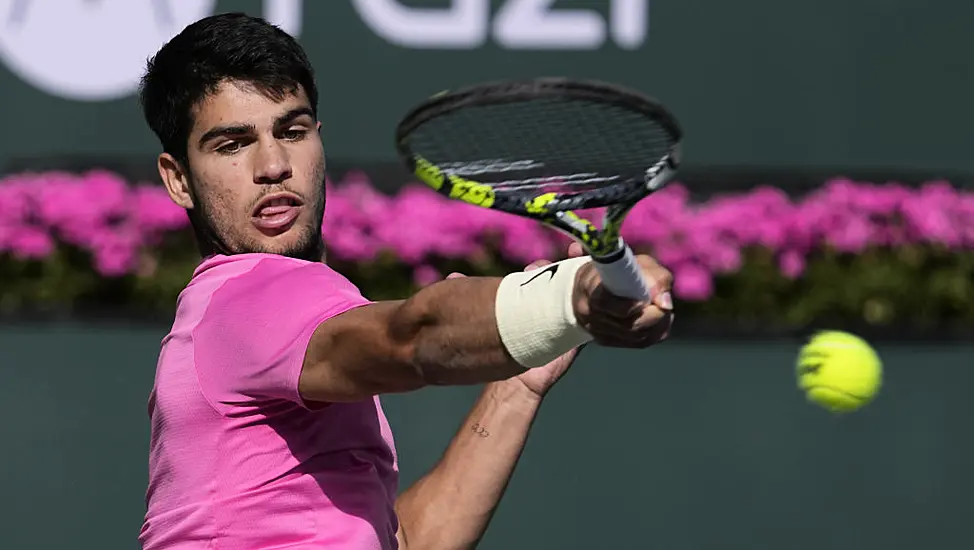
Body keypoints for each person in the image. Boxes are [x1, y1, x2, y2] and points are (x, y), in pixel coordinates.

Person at [136, 12, 675, 550]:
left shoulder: (243, 333)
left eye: (292, 131)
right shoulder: (250, 296)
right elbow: (413, 335)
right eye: (232, 144)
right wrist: (568, 298)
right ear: (179, 179)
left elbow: (409, 541)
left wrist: (516, 385)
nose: (274, 164)